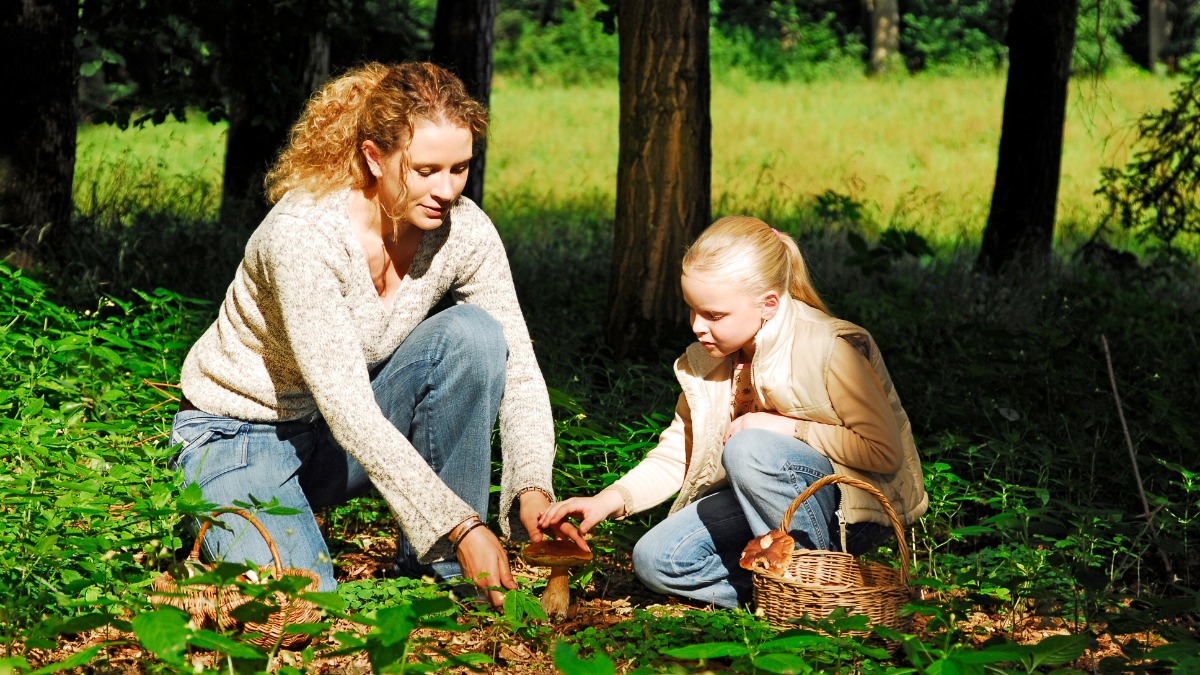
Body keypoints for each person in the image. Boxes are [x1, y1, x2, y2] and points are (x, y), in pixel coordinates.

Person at [168, 61, 584, 607]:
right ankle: (217, 511)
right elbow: (351, 412)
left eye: (459, 169)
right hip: (239, 435)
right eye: (425, 169)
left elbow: (521, 370)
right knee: (305, 607)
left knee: (475, 337)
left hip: (331, 439)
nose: (446, 190)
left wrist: (532, 488)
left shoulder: (464, 230)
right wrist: (462, 525)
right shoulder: (305, 237)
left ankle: (440, 572)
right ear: (373, 157)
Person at [539, 215, 927, 609]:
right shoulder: (708, 361)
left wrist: (787, 427)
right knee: (656, 561)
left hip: (846, 512)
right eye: (692, 310)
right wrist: (608, 499)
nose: (696, 326)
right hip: (758, 504)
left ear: (768, 305)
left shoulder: (828, 350)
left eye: (714, 315)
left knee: (749, 445)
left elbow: (883, 452)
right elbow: (680, 452)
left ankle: (812, 593)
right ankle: (777, 594)